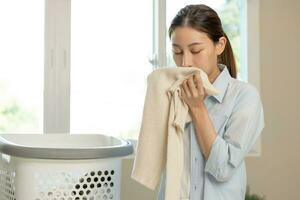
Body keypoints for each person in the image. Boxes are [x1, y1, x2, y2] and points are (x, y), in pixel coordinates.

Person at [157, 4, 265, 200]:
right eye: (177, 51)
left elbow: (223, 168)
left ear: (220, 45)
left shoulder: (244, 97)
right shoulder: (170, 92)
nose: (185, 63)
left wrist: (197, 108)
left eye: (196, 50)